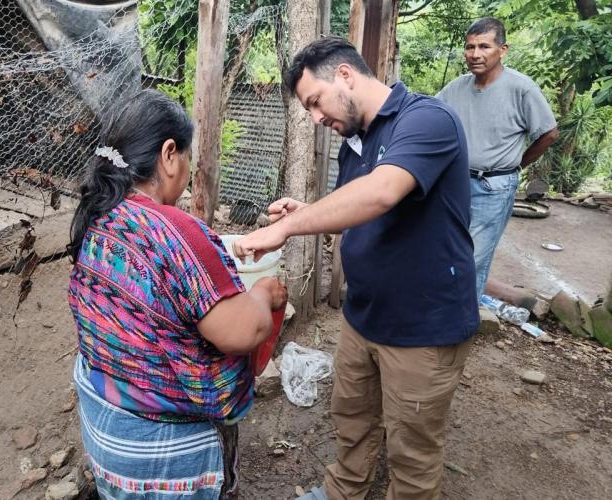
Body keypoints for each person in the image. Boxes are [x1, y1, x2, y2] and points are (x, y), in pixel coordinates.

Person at [233, 37, 478, 500]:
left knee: (413, 449)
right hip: (364, 315)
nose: (316, 118)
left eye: (314, 102)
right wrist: (306, 211)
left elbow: (382, 192)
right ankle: (343, 490)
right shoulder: (355, 143)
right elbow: (362, 213)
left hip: (423, 326)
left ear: (344, 75)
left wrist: (287, 230)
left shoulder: (426, 120)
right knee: (353, 418)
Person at [67, 89, 287, 499]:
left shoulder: (100, 214)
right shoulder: (176, 229)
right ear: (170, 155)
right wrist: (263, 295)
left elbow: (155, 272)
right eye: (186, 156)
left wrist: (232, 247)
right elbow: (242, 332)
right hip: (160, 461)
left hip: (106, 437)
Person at [437, 17, 558, 300]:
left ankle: (460, 325)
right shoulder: (457, 88)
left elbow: (549, 133)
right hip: (456, 183)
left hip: (494, 188)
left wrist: (517, 165)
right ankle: (448, 315)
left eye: (484, 46)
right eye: (469, 47)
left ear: (502, 50)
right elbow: (430, 114)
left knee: (473, 259)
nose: (475, 54)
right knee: (447, 249)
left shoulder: (521, 88)